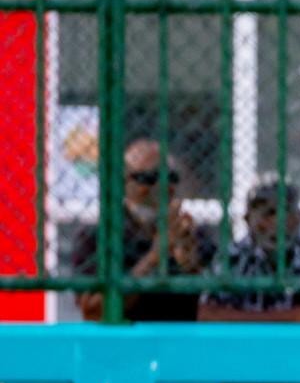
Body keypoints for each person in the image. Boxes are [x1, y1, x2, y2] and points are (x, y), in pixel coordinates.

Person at [73, 138, 214, 321]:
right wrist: (155, 257)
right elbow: (93, 311)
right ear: (124, 183)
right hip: (126, 343)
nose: (162, 187)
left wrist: (192, 265)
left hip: (181, 342)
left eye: (170, 178)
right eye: (149, 178)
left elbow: (215, 307)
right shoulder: (98, 236)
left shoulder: (192, 233)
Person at [198, 182, 300, 322]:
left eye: (286, 211)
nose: (278, 222)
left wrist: (239, 318)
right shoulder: (233, 255)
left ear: (299, 217)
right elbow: (207, 314)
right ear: (248, 219)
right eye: (268, 213)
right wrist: (295, 316)